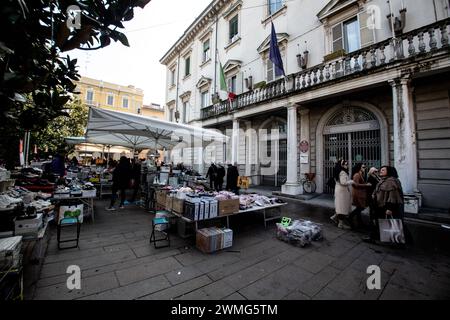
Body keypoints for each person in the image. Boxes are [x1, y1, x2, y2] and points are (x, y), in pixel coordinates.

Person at [364, 166, 404, 243]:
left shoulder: (391, 182)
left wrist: (389, 208)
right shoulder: (385, 180)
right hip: (379, 205)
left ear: (388, 172)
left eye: (383, 170)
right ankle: (374, 238)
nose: (380, 171)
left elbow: (393, 196)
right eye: (380, 170)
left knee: (387, 223)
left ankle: (397, 241)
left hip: (384, 207)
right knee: (377, 223)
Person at [331, 159, 354, 230]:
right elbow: (343, 182)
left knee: (340, 207)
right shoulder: (342, 172)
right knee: (342, 208)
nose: (347, 166)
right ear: (342, 165)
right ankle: (340, 224)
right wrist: (351, 181)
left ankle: (334, 217)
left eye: (347, 164)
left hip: (339, 190)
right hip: (342, 192)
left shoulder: (338, 171)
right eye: (345, 164)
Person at [349, 163, 371, 229]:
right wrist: (366, 185)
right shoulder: (357, 175)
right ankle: (350, 217)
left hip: (360, 193)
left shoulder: (361, 174)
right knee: (360, 208)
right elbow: (356, 184)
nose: (364, 168)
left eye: (364, 167)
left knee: (359, 208)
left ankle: (360, 223)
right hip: (358, 194)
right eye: (363, 167)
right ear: (359, 168)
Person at [364, 167, 381, 241]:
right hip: (372, 199)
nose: (376, 172)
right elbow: (369, 188)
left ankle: (375, 233)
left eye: (377, 171)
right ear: (371, 172)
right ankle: (373, 234)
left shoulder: (377, 177)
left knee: (375, 216)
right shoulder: (371, 178)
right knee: (373, 216)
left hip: (376, 199)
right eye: (375, 171)